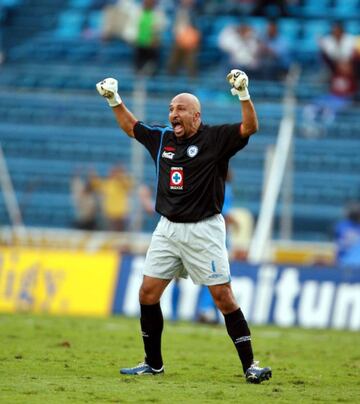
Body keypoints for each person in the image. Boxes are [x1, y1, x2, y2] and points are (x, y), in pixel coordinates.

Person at [96, 69, 272, 383]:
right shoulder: (163, 137)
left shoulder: (216, 138)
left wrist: (243, 93)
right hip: (167, 229)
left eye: (180, 110)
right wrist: (114, 100)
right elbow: (131, 128)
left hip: (204, 230)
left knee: (223, 297)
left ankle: (250, 366)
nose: (173, 114)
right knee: (148, 293)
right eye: (170, 109)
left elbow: (251, 126)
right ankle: (154, 364)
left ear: (196, 115)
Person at [89, 165, 133, 231]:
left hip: (120, 215)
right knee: (112, 233)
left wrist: (121, 175)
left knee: (120, 233)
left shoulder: (123, 183)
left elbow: (129, 184)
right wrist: (93, 176)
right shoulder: (109, 183)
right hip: (110, 215)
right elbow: (98, 185)